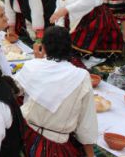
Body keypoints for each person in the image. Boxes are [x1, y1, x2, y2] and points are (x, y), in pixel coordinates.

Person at [15, 26, 97, 157]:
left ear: (44, 47)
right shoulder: (81, 76)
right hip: (55, 144)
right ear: (70, 48)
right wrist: (90, 154)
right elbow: (86, 122)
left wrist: (38, 61)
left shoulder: (32, 66)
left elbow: (14, 90)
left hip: (23, 135)